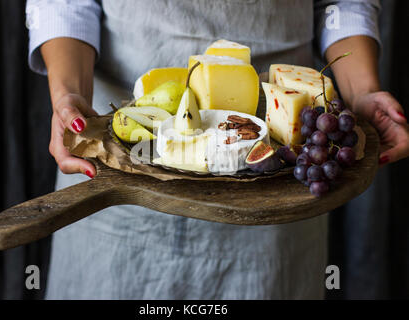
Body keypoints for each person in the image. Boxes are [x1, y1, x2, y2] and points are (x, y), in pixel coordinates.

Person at [26, 0, 409, 299]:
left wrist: (361, 91)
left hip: (277, 177)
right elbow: (66, 5)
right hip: (126, 162)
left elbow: (340, 4)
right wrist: (69, 96)